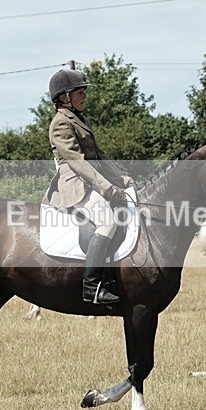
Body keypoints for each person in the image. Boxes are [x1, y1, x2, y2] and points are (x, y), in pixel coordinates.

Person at [42, 69, 133, 304]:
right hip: (75, 185)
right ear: (64, 97)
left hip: (92, 181)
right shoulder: (60, 123)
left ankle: (111, 277)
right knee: (108, 220)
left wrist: (122, 179)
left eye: (84, 92)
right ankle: (91, 286)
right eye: (80, 93)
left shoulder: (81, 119)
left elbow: (99, 156)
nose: (84, 97)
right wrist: (106, 188)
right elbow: (77, 162)